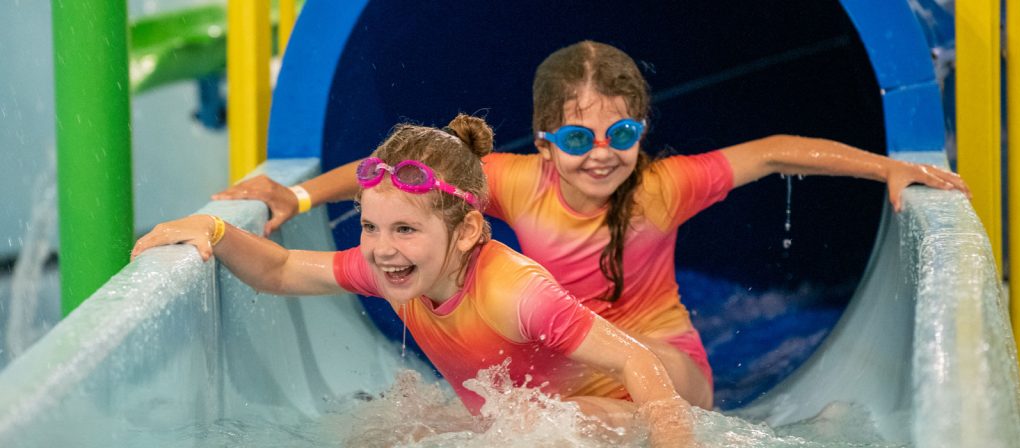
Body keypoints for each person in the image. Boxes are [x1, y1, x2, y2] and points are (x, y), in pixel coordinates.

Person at [213, 41, 971, 410]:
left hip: (658, 362)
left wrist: (887, 168)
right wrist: (299, 197)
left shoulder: (663, 189)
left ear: (642, 133)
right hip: (560, 360)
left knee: (566, 416)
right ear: (543, 143)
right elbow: (403, 175)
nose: (600, 156)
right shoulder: (511, 183)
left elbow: (773, 153)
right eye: (577, 140)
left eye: (621, 135)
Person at [134, 114, 694, 447]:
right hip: (519, 422)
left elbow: (636, 361)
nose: (381, 248)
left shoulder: (517, 292)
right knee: (378, 432)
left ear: (470, 229)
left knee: (526, 427)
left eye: (405, 228)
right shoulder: (392, 268)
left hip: (617, 417)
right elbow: (280, 269)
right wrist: (211, 228)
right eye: (371, 227)